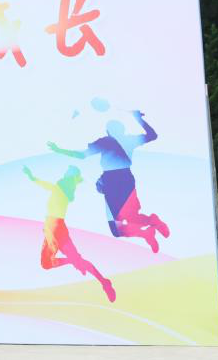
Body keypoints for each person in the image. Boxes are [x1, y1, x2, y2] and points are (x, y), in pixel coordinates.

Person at [48, 110, 169, 252]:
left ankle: (150, 225)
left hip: (114, 181)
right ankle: (148, 230)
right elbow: (152, 135)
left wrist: (59, 150)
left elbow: (82, 155)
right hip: (120, 179)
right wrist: (138, 119)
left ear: (108, 131)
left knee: (119, 227)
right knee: (123, 224)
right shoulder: (126, 140)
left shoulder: (108, 141)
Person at [24, 164, 116, 302]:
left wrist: (32, 177)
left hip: (53, 228)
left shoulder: (61, 186)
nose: (65, 173)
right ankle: (103, 281)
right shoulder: (66, 188)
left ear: (69, 176)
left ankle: (78, 265)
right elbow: (50, 186)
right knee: (74, 261)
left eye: (67, 172)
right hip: (58, 227)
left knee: (47, 263)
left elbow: (47, 185)